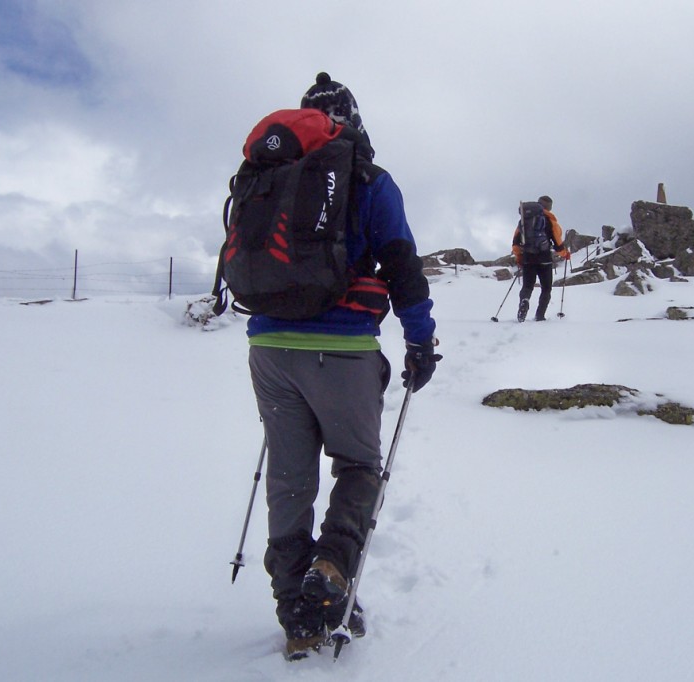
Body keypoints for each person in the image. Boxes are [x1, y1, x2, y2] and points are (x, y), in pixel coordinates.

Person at [246, 72, 440, 661]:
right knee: (358, 465)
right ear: (351, 120)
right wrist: (420, 339)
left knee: (288, 477)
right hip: (343, 349)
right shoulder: (367, 177)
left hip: (268, 348)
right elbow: (401, 263)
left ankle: (295, 612)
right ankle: (329, 574)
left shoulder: (268, 175)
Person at [512, 195, 569, 322]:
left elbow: (515, 242)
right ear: (549, 207)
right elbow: (558, 243)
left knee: (527, 286)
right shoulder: (550, 220)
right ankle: (540, 315)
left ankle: (524, 301)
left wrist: (519, 257)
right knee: (546, 288)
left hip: (528, 257)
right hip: (545, 259)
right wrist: (565, 254)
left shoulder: (523, 220)